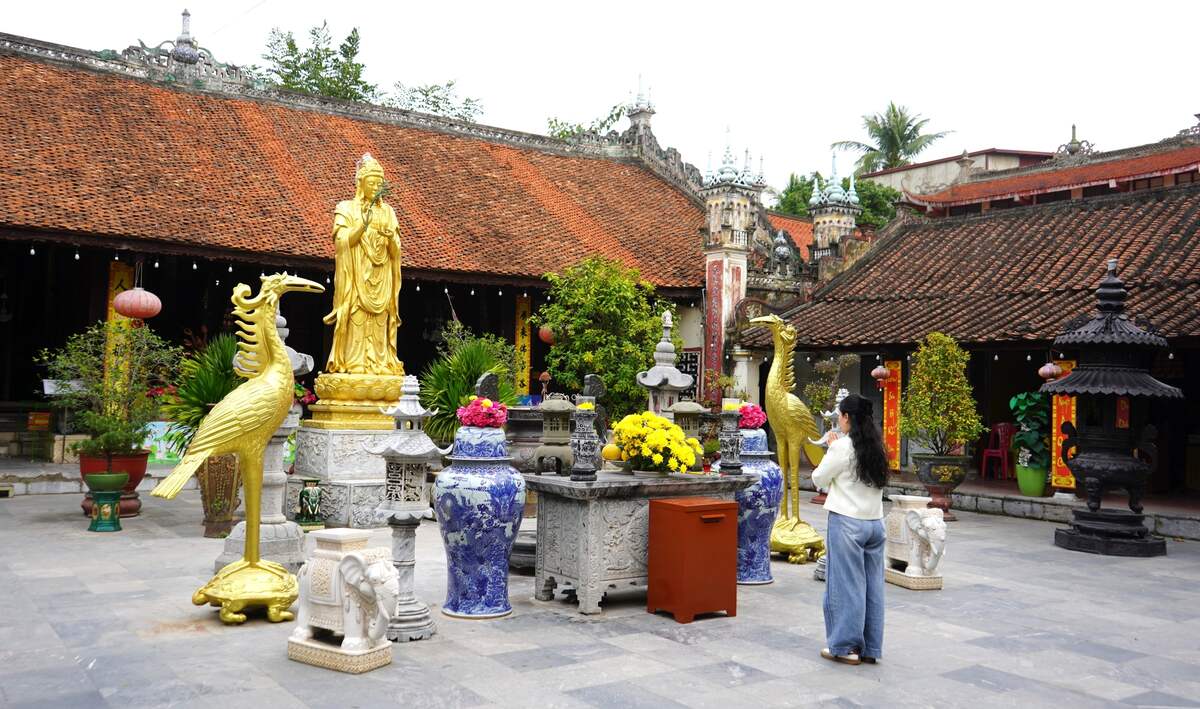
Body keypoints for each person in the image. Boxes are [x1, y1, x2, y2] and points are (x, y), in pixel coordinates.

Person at [810, 393, 889, 666]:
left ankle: (844, 646)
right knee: (872, 587)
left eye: (841, 416)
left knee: (845, 586)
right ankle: (870, 648)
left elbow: (818, 478)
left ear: (846, 418)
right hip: (875, 523)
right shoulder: (878, 447)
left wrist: (831, 447)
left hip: (847, 522)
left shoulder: (842, 447)